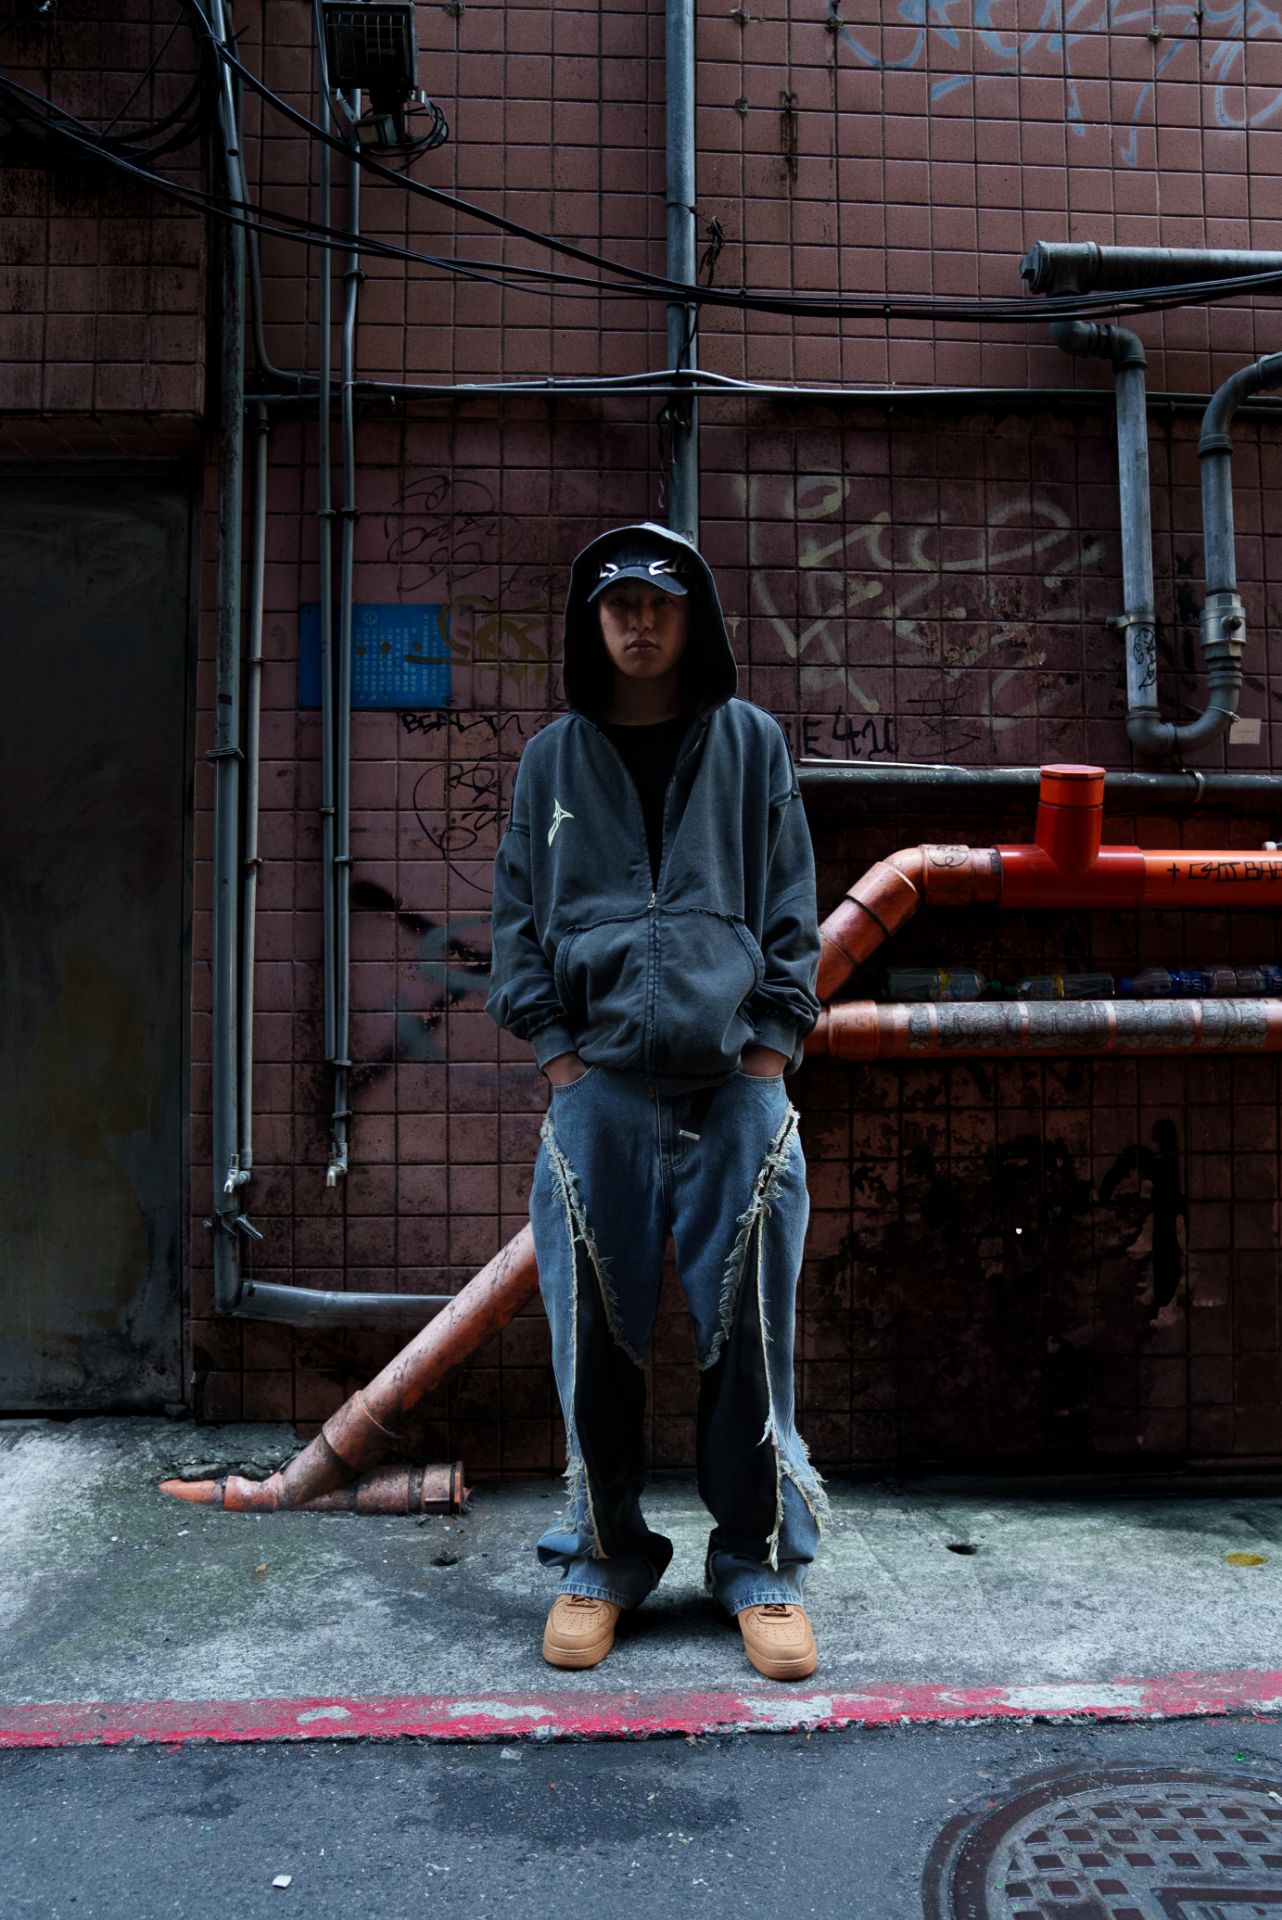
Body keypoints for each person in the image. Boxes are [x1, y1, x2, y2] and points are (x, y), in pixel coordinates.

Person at [485, 522, 825, 1682]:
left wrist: (771, 1046)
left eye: (661, 604)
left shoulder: (751, 743)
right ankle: (605, 1558)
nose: (639, 623)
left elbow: (791, 902)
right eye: (618, 604)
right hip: (599, 1091)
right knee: (591, 1334)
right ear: (593, 622)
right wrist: (558, 1056)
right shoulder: (551, 761)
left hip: (736, 1091)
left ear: (695, 619)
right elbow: (516, 916)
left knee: (754, 1333)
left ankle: (758, 1566)